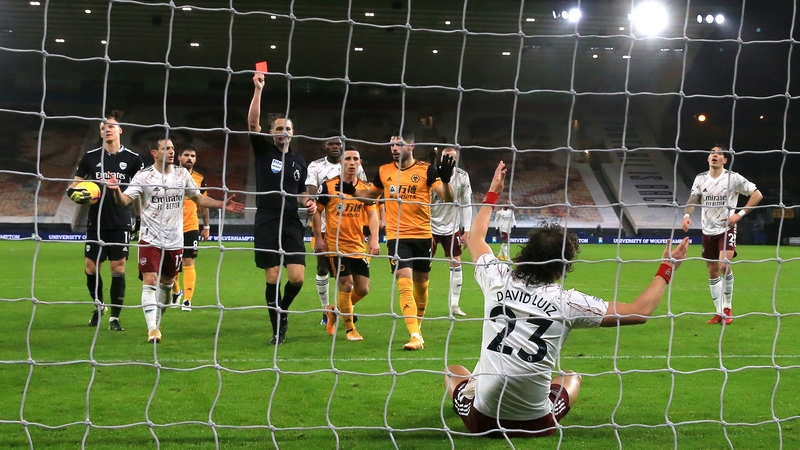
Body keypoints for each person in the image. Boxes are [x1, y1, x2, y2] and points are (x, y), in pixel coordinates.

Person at [444, 161, 690, 438]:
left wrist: (492, 192)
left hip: (483, 421)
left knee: (453, 370)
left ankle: (475, 384)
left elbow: (475, 236)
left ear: (525, 253)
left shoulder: (497, 277)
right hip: (537, 424)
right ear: (562, 268)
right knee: (571, 377)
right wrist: (668, 266)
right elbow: (640, 311)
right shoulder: (568, 302)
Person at [106, 138, 243, 343]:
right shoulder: (144, 177)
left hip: (174, 240)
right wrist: (116, 190)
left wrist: (222, 204)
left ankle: (157, 323)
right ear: (155, 152)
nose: (171, 152)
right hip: (150, 238)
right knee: (150, 281)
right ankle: (152, 329)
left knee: (168, 285)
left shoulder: (182, 174)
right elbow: (124, 201)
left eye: (172, 148)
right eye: (166, 148)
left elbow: (198, 198)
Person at [342, 131, 455, 351]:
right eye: (392, 144)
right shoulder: (384, 171)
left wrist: (448, 180)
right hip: (396, 237)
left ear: (411, 147)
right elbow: (371, 197)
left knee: (421, 286)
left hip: (423, 236)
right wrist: (352, 191)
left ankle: (417, 329)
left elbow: (448, 197)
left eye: (399, 144)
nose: (394, 148)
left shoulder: (426, 170)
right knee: (404, 280)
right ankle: (414, 335)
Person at [248, 72, 316, 345]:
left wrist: (307, 202)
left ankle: (283, 308)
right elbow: (253, 123)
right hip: (266, 218)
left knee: (297, 279)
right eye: (278, 129)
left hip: (290, 220)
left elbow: (300, 193)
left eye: (287, 129)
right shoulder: (264, 151)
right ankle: (278, 329)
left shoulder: (299, 160)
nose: (283, 133)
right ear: (272, 134)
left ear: (292, 133)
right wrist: (258, 90)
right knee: (273, 274)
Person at [67, 113, 143, 332]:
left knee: (118, 268)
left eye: (111, 126)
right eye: (103, 127)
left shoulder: (134, 159)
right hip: (95, 221)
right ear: (100, 133)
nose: (107, 129)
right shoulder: (90, 157)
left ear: (120, 130)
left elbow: (138, 193)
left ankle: (115, 318)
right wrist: (75, 194)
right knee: (91, 268)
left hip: (120, 220)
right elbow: (73, 186)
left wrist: (138, 219)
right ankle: (99, 307)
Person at [682, 146, 762, 325]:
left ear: (725, 160)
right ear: (708, 158)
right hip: (707, 230)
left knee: (724, 265)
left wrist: (738, 215)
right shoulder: (700, 178)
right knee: (712, 271)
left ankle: (728, 307)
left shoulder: (733, 178)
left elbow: (757, 194)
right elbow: (693, 199)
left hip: (727, 228)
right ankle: (718, 313)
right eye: (712, 153)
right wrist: (687, 215)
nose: (714, 155)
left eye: (718, 154)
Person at [312, 147, 380, 341]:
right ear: (341, 162)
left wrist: (374, 238)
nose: (351, 162)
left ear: (360, 163)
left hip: (358, 245)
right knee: (346, 284)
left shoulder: (366, 189)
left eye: (355, 159)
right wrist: (319, 237)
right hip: (336, 246)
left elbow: (372, 214)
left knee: (363, 289)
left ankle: (334, 311)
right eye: (348, 159)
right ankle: (350, 329)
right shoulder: (329, 186)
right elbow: (317, 211)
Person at [305, 134, 367, 326]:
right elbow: (312, 193)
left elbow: (363, 192)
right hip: (322, 224)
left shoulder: (355, 165)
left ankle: (343, 308)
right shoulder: (315, 166)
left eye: (337, 144)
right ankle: (326, 309)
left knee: (351, 279)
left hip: (349, 226)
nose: (334, 146)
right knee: (322, 266)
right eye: (331, 143)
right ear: (325, 146)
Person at [430, 146, 473, 317]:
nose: (448, 159)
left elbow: (467, 203)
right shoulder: (432, 174)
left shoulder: (463, 177)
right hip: (430, 225)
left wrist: (467, 229)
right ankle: (416, 302)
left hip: (452, 226)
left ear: (457, 159)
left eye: (452, 157)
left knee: (456, 262)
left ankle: (455, 305)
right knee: (423, 264)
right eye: (446, 156)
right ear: (441, 158)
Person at [170, 146, 210, 312]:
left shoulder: (200, 179)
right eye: (186, 155)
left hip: (190, 225)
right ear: (179, 157)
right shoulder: (170, 175)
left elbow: (203, 204)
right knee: (171, 264)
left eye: (192, 156)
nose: (189, 158)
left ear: (196, 159)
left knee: (188, 261)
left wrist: (206, 226)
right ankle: (176, 292)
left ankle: (187, 300)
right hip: (171, 226)